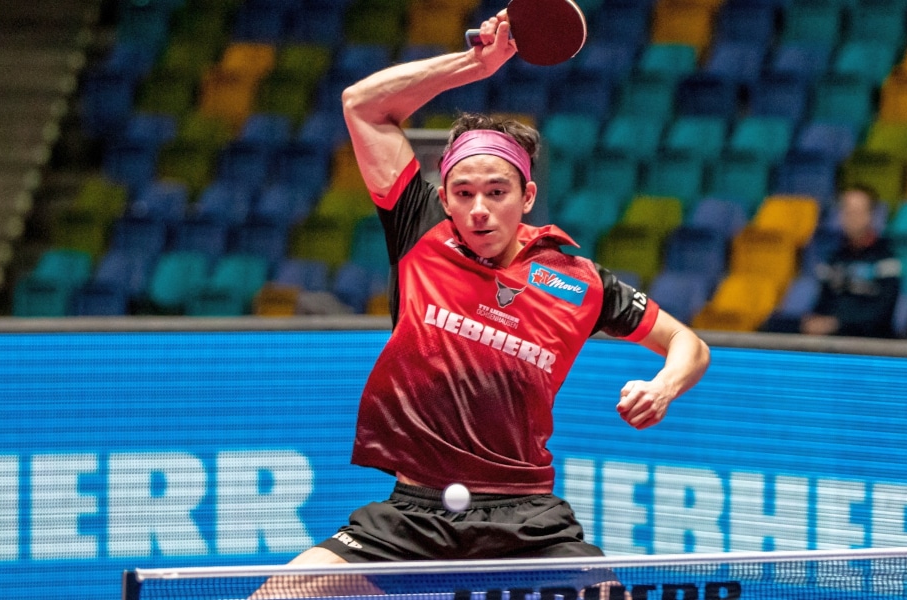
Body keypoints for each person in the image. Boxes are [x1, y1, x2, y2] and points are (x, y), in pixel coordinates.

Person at [257, 11, 709, 592]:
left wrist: (664, 386)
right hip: (414, 513)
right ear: (443, 197)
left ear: (528, 195)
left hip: (528, 520)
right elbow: (361, 105)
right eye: (463, 193)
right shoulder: (419, 231)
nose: (478, 210)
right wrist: (476, 64)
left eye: (497, 192)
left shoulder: (579, 281)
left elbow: (687, 343)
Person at [799, 185, 903, 338]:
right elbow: (822, 302)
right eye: (847, 211)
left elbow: (883, 312)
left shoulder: (887, 258)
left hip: (869, 340)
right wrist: (813, 321)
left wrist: (837, 323)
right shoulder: (833, 258)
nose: (851, 218)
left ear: (871, 215)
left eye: (857, 212)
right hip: (832, 338)